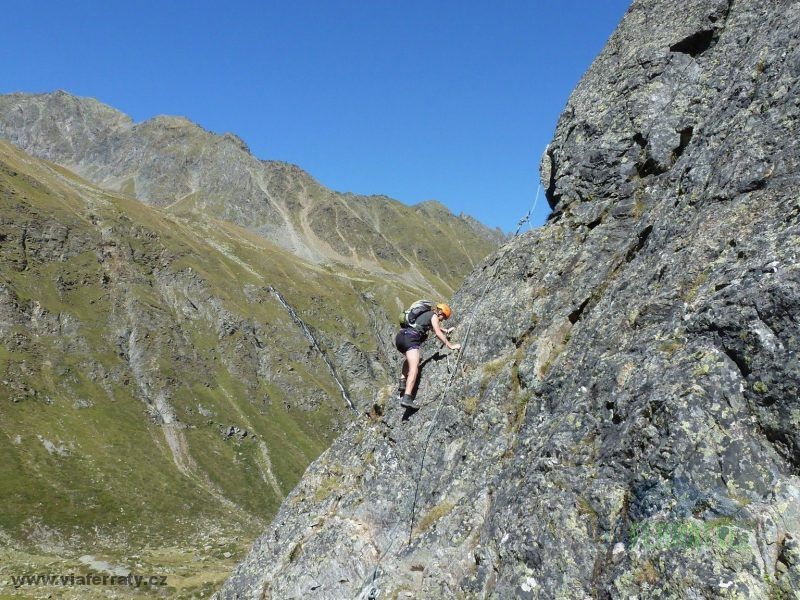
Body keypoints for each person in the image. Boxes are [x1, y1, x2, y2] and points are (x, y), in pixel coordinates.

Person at [394, 302, 461, 409]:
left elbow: (433, 328)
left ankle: (402, 381)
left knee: (411, 359)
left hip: (400, 338)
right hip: (411, 339)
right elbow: (438, 333)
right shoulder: (433, 316)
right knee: (414, 368)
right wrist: (450, 345)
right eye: (443, 317)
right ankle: (407, 397)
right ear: (441, 313)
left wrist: (446, 330)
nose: (442, 320)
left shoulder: (425, 314)